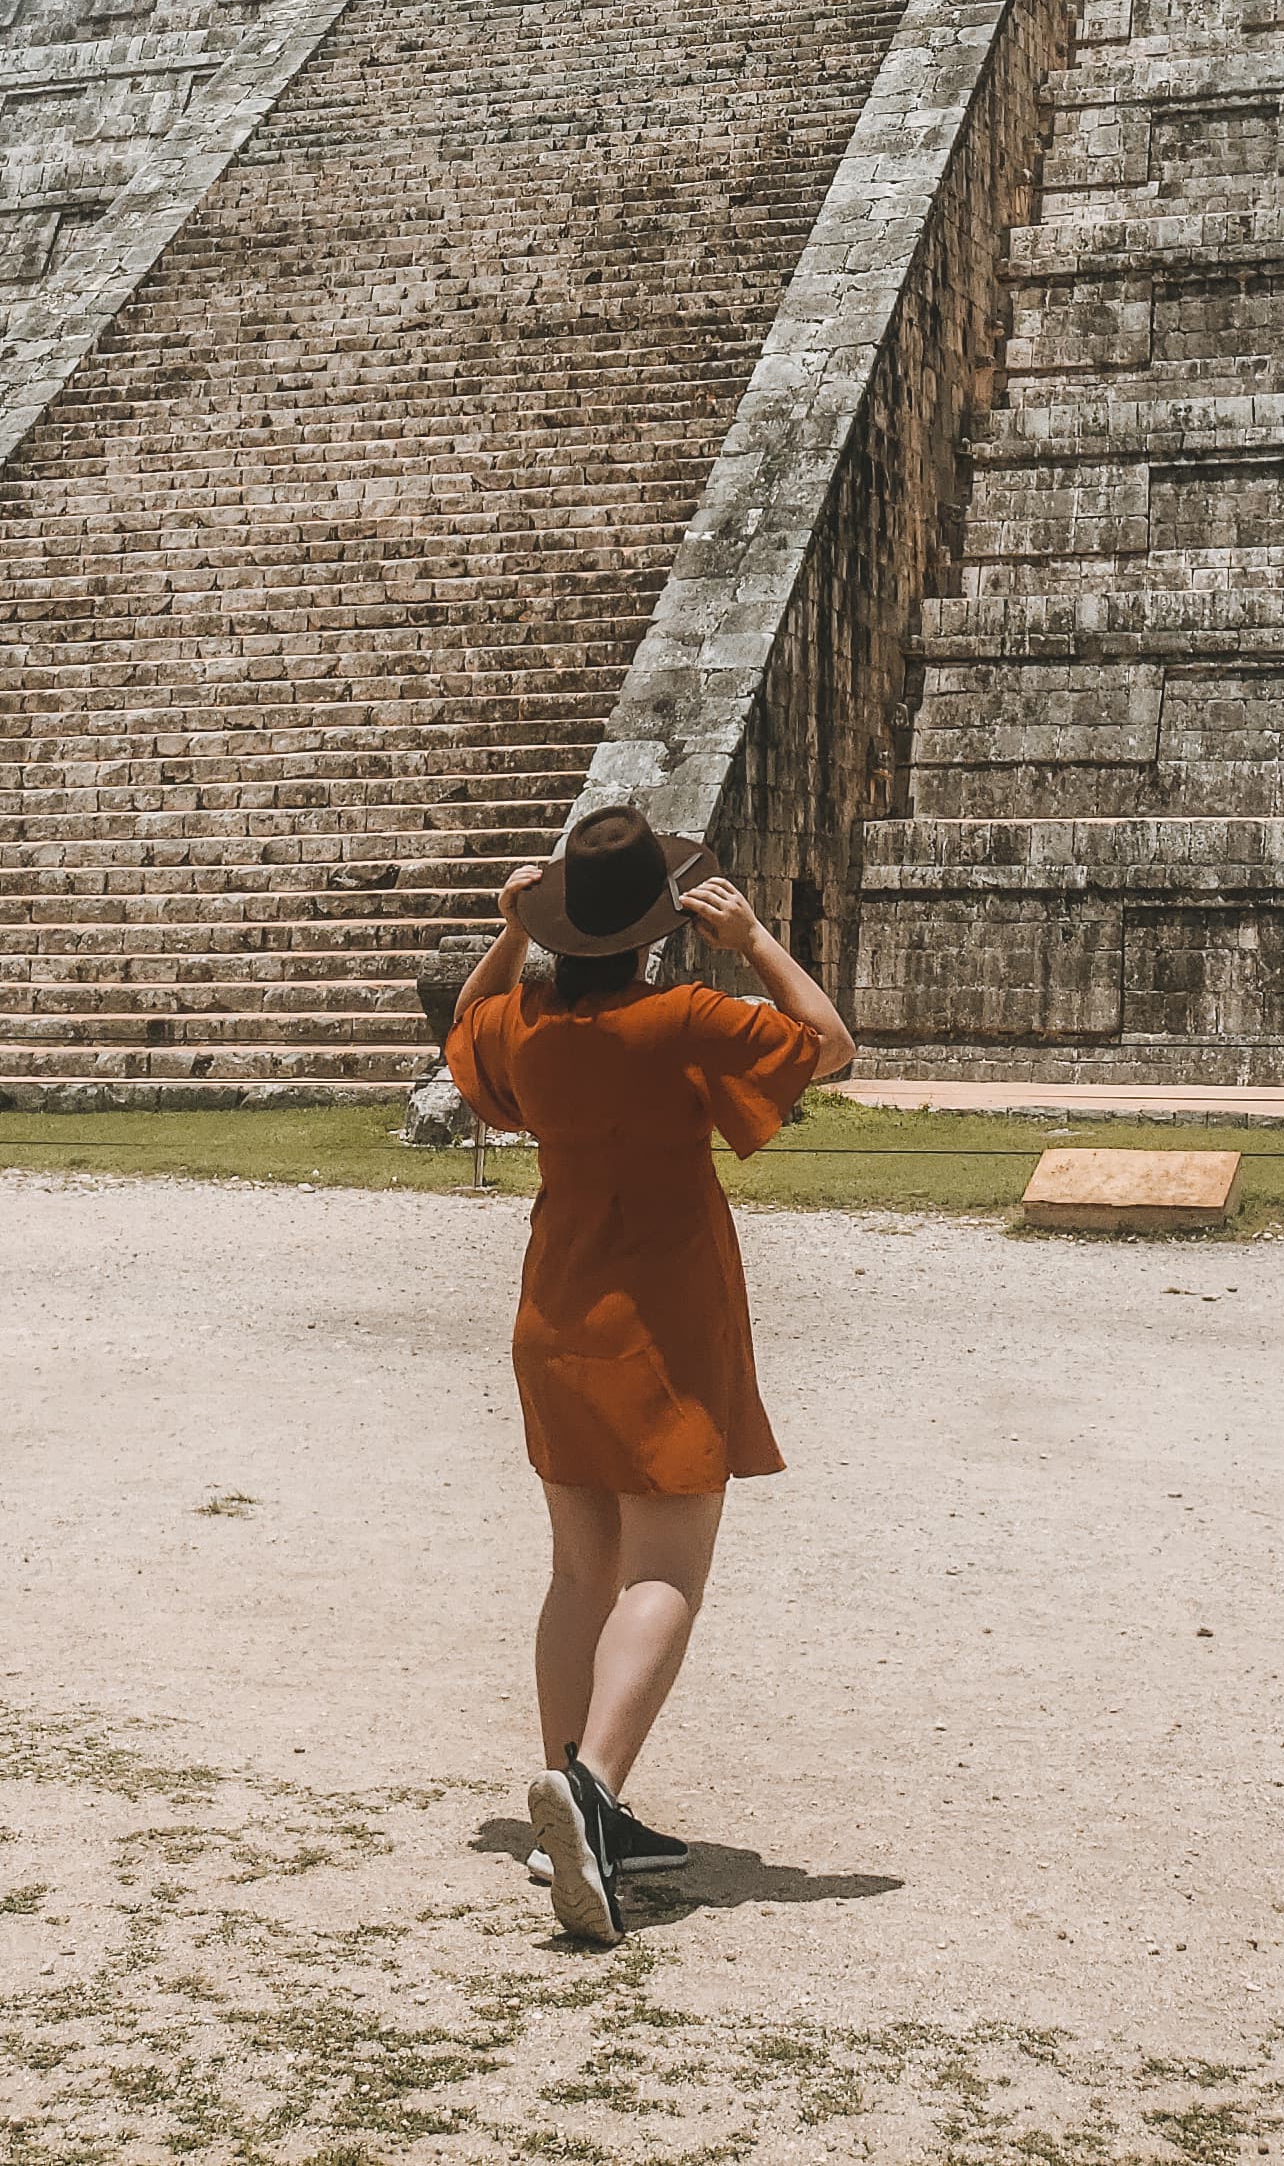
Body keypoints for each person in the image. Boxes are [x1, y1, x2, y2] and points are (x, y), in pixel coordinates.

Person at [444, 804, 856, 1948]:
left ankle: (562, 1804)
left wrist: (507, 929)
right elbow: (826, 1044)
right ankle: (592, 1789)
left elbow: (463, 1022)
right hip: (665, 1308)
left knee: (581, 1566)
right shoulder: (680, 1012)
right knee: (665, 1566)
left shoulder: (524, 1020)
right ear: (654, 928)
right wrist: (757, 940)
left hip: (556, 1303)